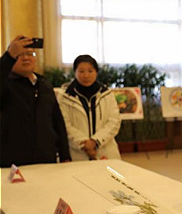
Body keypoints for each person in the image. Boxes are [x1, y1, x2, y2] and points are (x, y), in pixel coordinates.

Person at [1, 35, 71, 167]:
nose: (26, 58)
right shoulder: (5, 84)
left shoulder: (44, 84)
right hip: (13, 162)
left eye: (30, 54)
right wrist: (8, 56)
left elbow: (57, 121)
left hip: (46, 159)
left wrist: (65, 155)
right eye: (20, 55)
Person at [57, 55, 121, 161]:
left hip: (105, 150)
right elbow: (64, 124)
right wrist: (85, 144)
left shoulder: (106, 94)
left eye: (90, 71)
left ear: (96, 72)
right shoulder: (65, 97)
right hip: (78, 152)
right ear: (75, 72)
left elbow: (114, 121)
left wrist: (95, 141)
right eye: (81, 71)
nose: (86, 75)